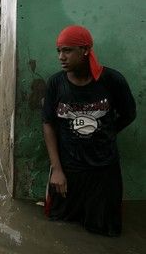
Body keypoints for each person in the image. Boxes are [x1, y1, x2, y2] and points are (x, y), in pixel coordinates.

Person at [42, 25, 136, 236]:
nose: (61, 57)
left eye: (67, 50)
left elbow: (129, 114)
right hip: (68, 169)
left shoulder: (112, 80)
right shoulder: (56, 83)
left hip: (104, 170)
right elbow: (48, 123)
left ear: (85, 50)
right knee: (59, 228)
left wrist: (108, 133)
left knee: (104, 231)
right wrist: (56, 169)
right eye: (59, 51)